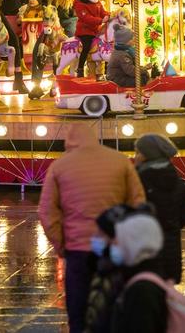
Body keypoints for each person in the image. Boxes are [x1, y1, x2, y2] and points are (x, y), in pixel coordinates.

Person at [37, 122, 145, 333]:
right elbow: (138, 204)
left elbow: (47, 213)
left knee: (78, 311)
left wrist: (61, 245)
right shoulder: (120, 161)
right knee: (112, 308)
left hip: (78, 249)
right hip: (112, 248)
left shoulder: (59, 167)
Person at [133, 133, 185, 283]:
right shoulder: (178, 183)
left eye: (138, 152)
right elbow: (184, 218)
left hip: (145, 254)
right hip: (170, 253)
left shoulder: (138, 183)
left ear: (147, 155)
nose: (135, 157)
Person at [107, 213, 169, 333]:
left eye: (119, 239)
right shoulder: (146, 275)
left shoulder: (142, 290)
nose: (113, 244)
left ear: (133, 243)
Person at [73, 0, 108, 77]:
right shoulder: (80, 4)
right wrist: (101, 20)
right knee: (86, 46)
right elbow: (86, 18)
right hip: (85, 31)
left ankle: (104, 69)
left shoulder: (96, 1)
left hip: (95, 30)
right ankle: (80, 68)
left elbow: (102, 12)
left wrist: (109, 15)